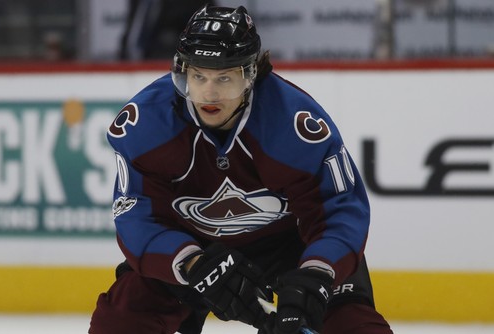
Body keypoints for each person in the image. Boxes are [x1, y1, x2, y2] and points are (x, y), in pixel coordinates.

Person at [89, 5, 393, 334]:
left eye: (224, 77)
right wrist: (191, 264)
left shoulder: (293, 124)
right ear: (183, 72)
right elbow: (138, 217)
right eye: (198, 75)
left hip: (290, 245)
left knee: (355, 327)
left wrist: (317, 272)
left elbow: (339, 209)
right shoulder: (147, 125)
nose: (209, 92)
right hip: (194, 247)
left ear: (250, 75)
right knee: (120, 322)